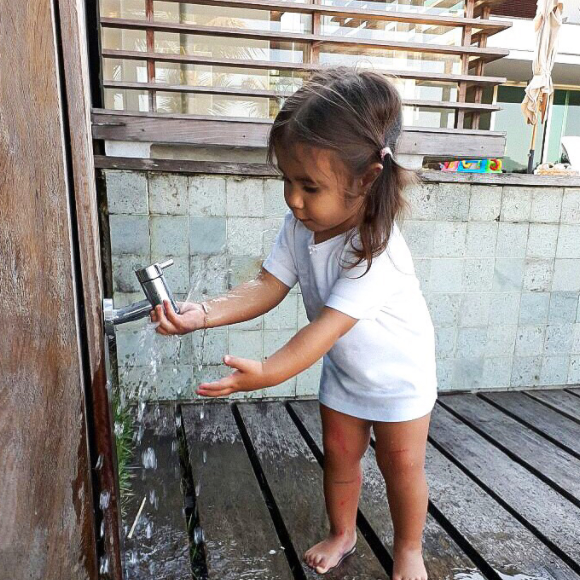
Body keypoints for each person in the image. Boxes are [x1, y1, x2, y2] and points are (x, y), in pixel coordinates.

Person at [150, 65, 437, 580]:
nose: (294, 199)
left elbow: (323, 329)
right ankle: (342, 533)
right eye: (287, 180)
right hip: (347, 376)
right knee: (339, 458)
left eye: (310, 186)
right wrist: (205, 313)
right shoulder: (300, 226)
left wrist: (269, 372)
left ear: (367, 179)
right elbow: (266, 285)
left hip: (400, 380)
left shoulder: (378, 252)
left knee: (401, 467)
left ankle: (409, 550)